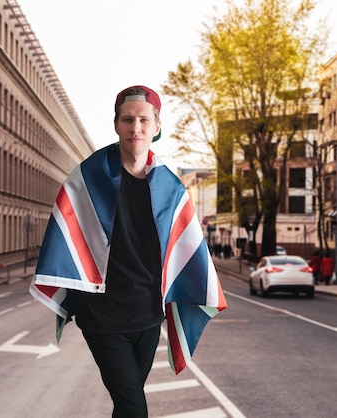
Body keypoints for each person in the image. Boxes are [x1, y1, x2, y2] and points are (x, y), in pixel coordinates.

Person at [29, 85, 227, 418]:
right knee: (135, 408)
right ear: (117, 124)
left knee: (126, 406)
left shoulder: (171, 187)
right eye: (127, 119)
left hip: (148, 316)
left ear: (157, 126)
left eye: (143, 120)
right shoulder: (88, 177)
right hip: (102, 315)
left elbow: (186, 250)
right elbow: (65, 236)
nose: (136, 128)